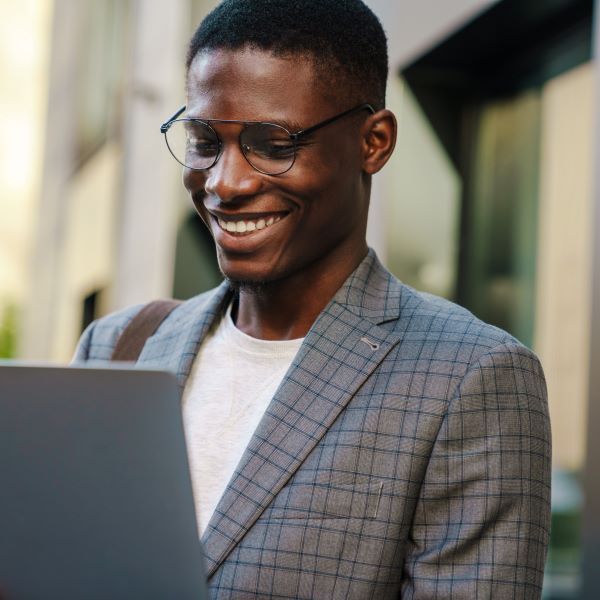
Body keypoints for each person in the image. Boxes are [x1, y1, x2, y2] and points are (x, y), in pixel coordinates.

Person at [74, 0, 552, 597]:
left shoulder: (471, 378)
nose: (225, 183)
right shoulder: (119, 346)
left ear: (373, 142)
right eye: (203, 139)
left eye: (272, 143)